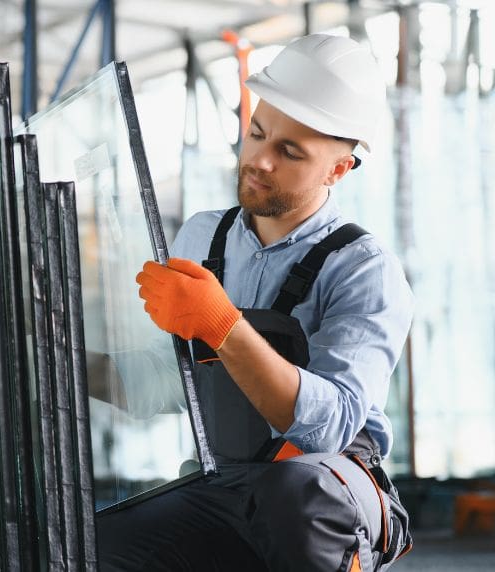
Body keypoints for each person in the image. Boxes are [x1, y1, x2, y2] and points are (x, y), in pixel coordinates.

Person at [96, 34, 414, 571]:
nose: (259, 160)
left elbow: (329, 428)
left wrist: (221, 324)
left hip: (332, 486)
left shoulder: (364, 268)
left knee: (295, 494)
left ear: (338, 169)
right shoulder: (203, 237)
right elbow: (172, 377)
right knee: (103, 540)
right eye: (257, 134)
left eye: (290, 151)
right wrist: (64, 368)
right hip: (225, 479)